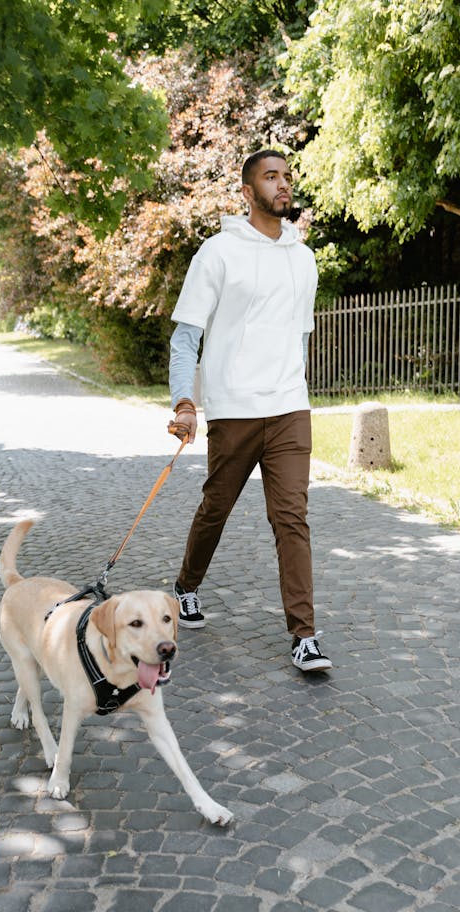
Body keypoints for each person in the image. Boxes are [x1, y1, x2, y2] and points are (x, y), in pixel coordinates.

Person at [167, 149, 331, 672]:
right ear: (247, 191)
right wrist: (184, 401)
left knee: (291, 518)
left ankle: (304, 635)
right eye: (271, 177)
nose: (283, 185)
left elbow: (299, 338)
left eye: (287, 176)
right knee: (216, 506)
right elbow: (186, 336)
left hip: (288, 407)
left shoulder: (303, 258)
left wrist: (298, 389)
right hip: (234, 410)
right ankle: (186, 585)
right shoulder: (217, 254)